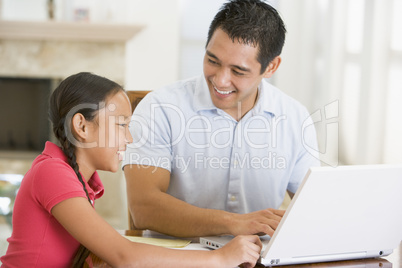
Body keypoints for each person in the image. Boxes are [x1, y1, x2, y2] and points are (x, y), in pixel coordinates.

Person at [0, 72, 262, 268]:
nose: (129, 138)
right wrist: (220, 258)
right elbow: (125, 256)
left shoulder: (78, 178)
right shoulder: (52, 173)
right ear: (82, 126)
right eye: (121, 125)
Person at [123, 0, 320, 238]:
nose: (220, 80)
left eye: (238, 71)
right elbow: (144, 209)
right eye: (212, 61)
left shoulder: (295, 118)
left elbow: (315, 210)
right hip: (180, 258)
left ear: (271, 67)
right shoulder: (161, 108)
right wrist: (236, 223)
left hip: (257, 259)